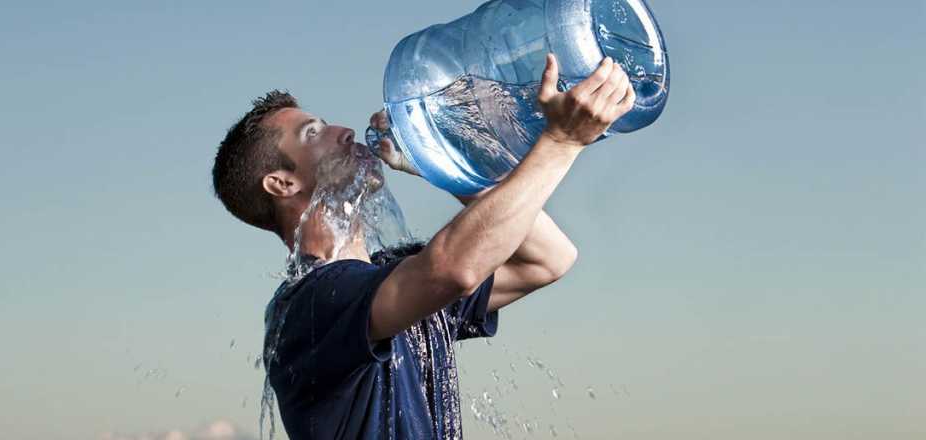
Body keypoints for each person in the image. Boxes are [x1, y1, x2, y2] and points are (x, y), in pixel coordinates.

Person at [211, 54, 635, 439]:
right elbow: (452, 269)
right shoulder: (310, 305)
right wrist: (560, 141)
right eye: (313, 132)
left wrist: (443, 161)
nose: (341, 131)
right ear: (282, 183)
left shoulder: (393, 281)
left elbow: (547, 258)